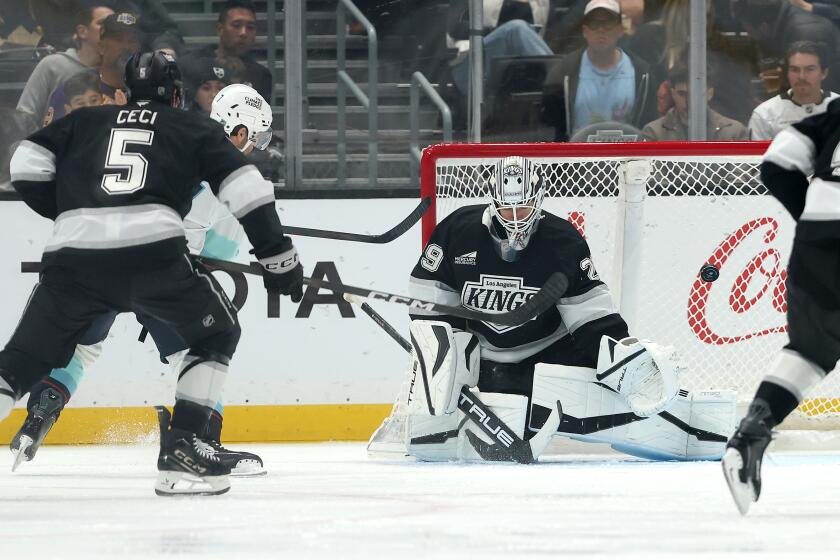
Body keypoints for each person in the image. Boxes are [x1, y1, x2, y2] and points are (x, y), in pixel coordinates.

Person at [4, 51, 303, 496]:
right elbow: (241, 207)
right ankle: (193, 444)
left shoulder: (92, 122)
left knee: (41, 358)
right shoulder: (192, 133)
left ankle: (40, 406)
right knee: (208, 339)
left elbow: (26, 163)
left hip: (79, 257)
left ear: (124, 92)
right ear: (178, 95)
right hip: (155, 262)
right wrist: (279, 260)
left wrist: (67, 208)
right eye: (254, 137)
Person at [385, 155, 734, 463]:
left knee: (596, 397)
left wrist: (618, 353)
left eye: (524, 208)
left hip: (549, 354)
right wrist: (448, 358)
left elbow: (590, 316)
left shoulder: (562, 241)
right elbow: (429, 298)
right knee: (441, 401)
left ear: (538, 201)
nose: (516, 219)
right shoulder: (457, 231)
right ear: (493, 203)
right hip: (487, 363)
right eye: (507, 209)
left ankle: (698, 426)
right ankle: (440, 428)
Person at [722, 97, 840, 514]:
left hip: (819, 236)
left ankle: (751, 434)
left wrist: (813, 219)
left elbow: (775, 164)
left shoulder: (833, 116)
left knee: (812, 349)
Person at [541, 0, 657, 141]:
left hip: (628, 154)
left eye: (608, 23)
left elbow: (649, 126)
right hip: (577, 154)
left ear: (620, 30)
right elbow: (551, 127)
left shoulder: (643, 74)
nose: (601, 30)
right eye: (594, 24)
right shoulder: (562, 73)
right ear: (585, 31)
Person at [16, 3, 114, 123]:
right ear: (82, 31)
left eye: (114, 25)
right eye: (102, 23)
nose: (111, 29)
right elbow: (25, 116)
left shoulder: (116, 73)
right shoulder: (53, 65)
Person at [43, 12, 143, 126]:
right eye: (118, 40)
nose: (126, 47)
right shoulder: (72, 89)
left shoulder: (151, 89)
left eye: (132, 40)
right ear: (101, 47)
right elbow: (51, 135)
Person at [180, 0, 272, 101]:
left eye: (250, 27)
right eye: (236, 25)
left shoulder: (261, 75)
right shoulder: (190, 65)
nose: (243, 33)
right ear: (220, 29)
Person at [748, 41, 839, 139]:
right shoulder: (764, 114)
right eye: (795, 70)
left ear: (824, 73)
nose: (802, 76)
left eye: (810, 69)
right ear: (787, 73)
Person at [641, 63, 747, 141]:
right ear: (673, 93)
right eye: (682, 94)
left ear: (710, 94)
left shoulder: (735, 133)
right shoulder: (653, 132)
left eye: (696, 94)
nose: (689, 102)